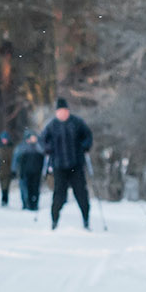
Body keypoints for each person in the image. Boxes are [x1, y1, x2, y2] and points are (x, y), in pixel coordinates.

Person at [39, 97, 95, 230]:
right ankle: (54, 220)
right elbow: (42, 141)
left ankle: (86, 219)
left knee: (81, 193)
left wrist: (85, 146)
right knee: (59, 194)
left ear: (68, 111)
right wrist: (47, 148)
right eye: (60, 111)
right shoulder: (51, 125)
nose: (63, 113)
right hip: (59, 165)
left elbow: (88, 136)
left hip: (76, 164)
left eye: (65, 111)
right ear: (57, 112)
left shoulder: (77, 123)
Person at [13, 130, 46, 211]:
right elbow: (16, 159)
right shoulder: (21, 148)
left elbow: (45, 158)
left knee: (35, 189)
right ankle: (26, 204)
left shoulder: (39, 147)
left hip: (36, 173)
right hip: (25, 173)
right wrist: (13, 170)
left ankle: (34, 205)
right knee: (25, 189)